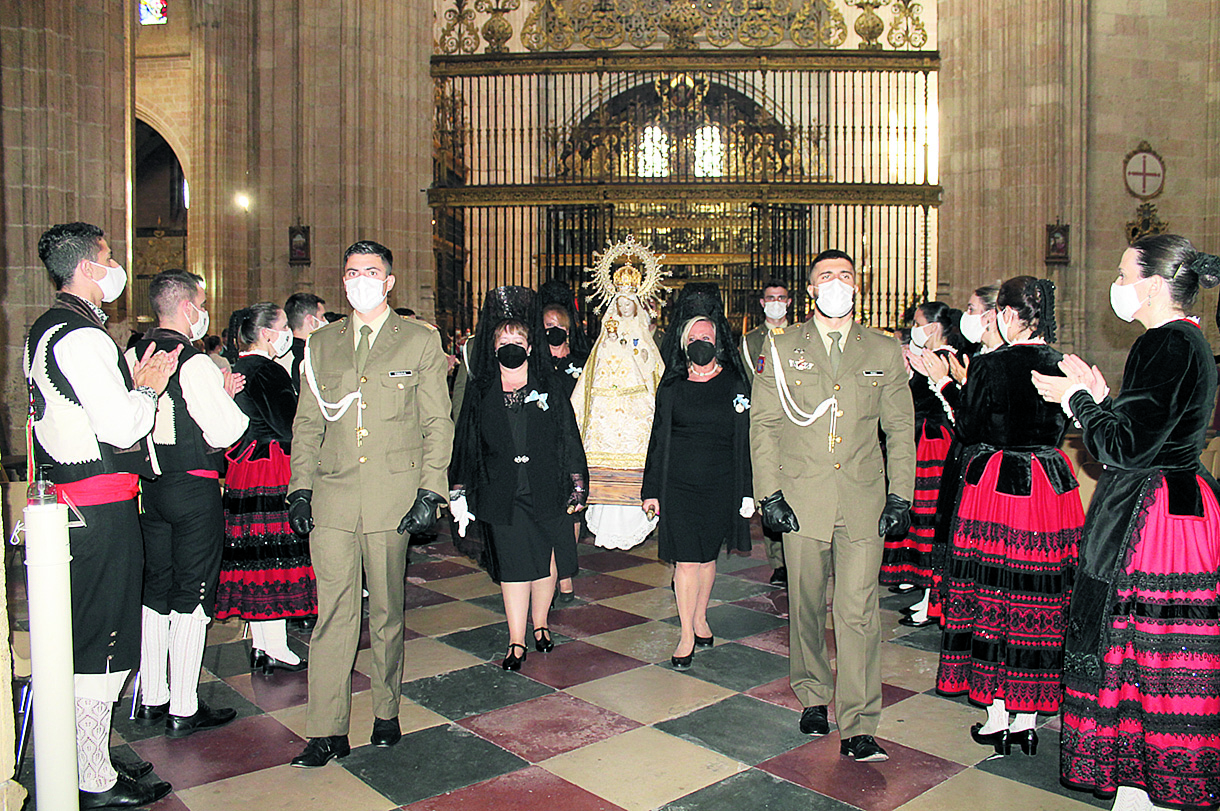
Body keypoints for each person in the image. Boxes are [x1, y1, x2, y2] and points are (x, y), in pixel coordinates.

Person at [1033, 235, 1220, 811]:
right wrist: (1101, 395)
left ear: (1154, 283)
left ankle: (1142, 790)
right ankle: (1144, 787)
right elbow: (1151, 427)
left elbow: (1124, 448)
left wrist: (1078, 402)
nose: (1116, 284)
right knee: (1159, 657)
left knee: (1137, 652)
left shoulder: (1164, 344)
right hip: (1180, 505)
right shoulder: (1187, 341)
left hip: (1154, 520)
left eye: (1123, 273)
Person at [25, 222, 176, 808]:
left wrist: (132, 389)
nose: (116, 268)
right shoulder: (83, 338)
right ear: (88, 267)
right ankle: (91, 777)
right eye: (109, 258)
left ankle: (90, 756)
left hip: (74, 499)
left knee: (87, 633)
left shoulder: (47, 328)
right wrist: (149, 389)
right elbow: (121, 425)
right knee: (104, 641)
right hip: (98, 504)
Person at [287, 240, 454, 768]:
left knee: (384, 613)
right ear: (343, 280)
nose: (360, 279)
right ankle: (326, 728)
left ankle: (386, 709)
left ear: (388, 282)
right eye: (352, 271)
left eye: (371, 272)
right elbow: (308, 423)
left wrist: (431, 490)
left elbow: (436, 422)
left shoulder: (419, 342)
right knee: (332, 613)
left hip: (393, 498)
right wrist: (299, 487)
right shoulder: (321, 344)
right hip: (333, 497)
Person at [751, 248, 914, 763]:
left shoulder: (885, 351)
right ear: (812, 290)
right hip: (801, 497)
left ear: (856, 287)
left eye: (845, 275)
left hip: (864, 499)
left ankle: (860, 721)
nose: (837, 282)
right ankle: (813, 691)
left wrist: (901, 494)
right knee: (804, 602)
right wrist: (768, 494)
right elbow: (765, 424)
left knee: (859, 611)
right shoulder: (781, 348)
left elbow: (900, 429)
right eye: (826, 276)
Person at [935, 276, 1083, 758]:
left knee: (992, 593)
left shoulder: (991, 364)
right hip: (1049, 482)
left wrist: (947, 386)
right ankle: (1027, 719)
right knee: (1039, 595)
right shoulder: (1064, 362)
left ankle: (997, 714)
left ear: (1011, 314)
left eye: (999, 309)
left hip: (997, 485)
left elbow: (971, 429)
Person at [129, 270, 250, 740]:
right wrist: (223, 397)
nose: (203, 311)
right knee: (193, 593)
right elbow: (225, 432)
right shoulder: (195, 363)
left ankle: (152, 695)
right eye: (201, 302)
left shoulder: (132, 354)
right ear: (186, 309)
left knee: (156, 591)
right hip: (193, 490)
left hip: (150, 490)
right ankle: (184, 704)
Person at [450, 286, 588, 670]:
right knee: (513, 567)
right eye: (503, 340)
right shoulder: (481, 391)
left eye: (518, 339)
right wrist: (459, 489)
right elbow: (466, 442)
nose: (511, 345)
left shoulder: (550, 387)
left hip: (547, 485)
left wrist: (578, 483)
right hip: (501, 490)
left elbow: (569, 437)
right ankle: (515, 640)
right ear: (493, 347)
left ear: (530, 346)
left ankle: (541, 625)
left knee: (544, 562)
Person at [643, 284, 753, 668]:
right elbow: (657, 438)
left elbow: (746, 440)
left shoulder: (735, 384)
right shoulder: (671, 385)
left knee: (707, 558)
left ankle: (701, 616)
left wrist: (746, 491)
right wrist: (651, 489)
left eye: (706, 337)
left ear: (718, 339)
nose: (700, 342)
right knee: (686, 560)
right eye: (693, 337)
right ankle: (686, 633)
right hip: (679, 485)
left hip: (720, 483)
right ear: (683, 342)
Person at [214, 303, 316, 673]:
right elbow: (290, 426)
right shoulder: (267, 369)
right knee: (275, 556)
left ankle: (262, 644)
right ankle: (276, 647)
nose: (288, 332)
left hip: (244, 469)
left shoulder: (236, 367)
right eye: (283, 326)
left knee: (256, 557)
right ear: (269, 334)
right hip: (272, 467)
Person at [571, 237, 666, 549]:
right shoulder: (603, 338)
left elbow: (652, 368)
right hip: (605, 411)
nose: (624, 308)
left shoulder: (642, 336)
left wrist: (635, 350)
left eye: (629, 304)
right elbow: (591, 374)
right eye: (620, 304)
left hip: (636, 408)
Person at [881, 301, 967, 626]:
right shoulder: (931, 357)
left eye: (918, 323)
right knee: (918, 516)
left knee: (931, 519)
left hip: (934, 445)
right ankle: (921, 587)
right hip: (923, 441)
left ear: (932, 327)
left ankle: (933, 597)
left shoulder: (943, 359)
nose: (914, 328)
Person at [539, 279, 592, 602]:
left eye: (559, 325)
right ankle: (550, 569)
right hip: (544, 449)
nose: (553, 330)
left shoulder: (582, 364)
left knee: (572, 512)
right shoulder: (536, 366)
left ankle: (565, 574)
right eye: (547, 326)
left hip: (574, 448)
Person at [741, 280, 791, 586]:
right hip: (765, 422)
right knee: (769, 489)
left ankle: (798, 553)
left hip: (796, 424)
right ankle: (778, 561)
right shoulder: (750, 341)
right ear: (762, 303)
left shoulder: (802, 335)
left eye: (781, 298)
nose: (776, 302)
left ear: (789, 302)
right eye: (770, 298)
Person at [282, 291, 327, 394]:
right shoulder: (312, 356)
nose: (325, 321)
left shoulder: (279, 355)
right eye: (322, 317)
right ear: (311, 320)